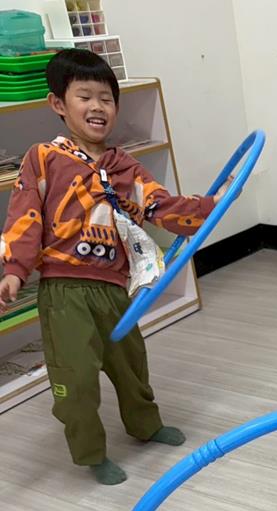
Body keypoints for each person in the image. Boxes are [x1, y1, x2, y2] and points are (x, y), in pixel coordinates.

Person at [0, 49, 226, 485]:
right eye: (85, 96)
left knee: (131, 364)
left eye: (106, 98)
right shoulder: (43, 157)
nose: (98, 107)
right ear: (58, 104)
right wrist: (14, 270)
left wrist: (211, 205)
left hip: (113, 289)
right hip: (64, 293)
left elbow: (160, 206)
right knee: (77, 379)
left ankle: (145, 425)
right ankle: (90, 453)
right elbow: (24, 216)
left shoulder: (123, 166)